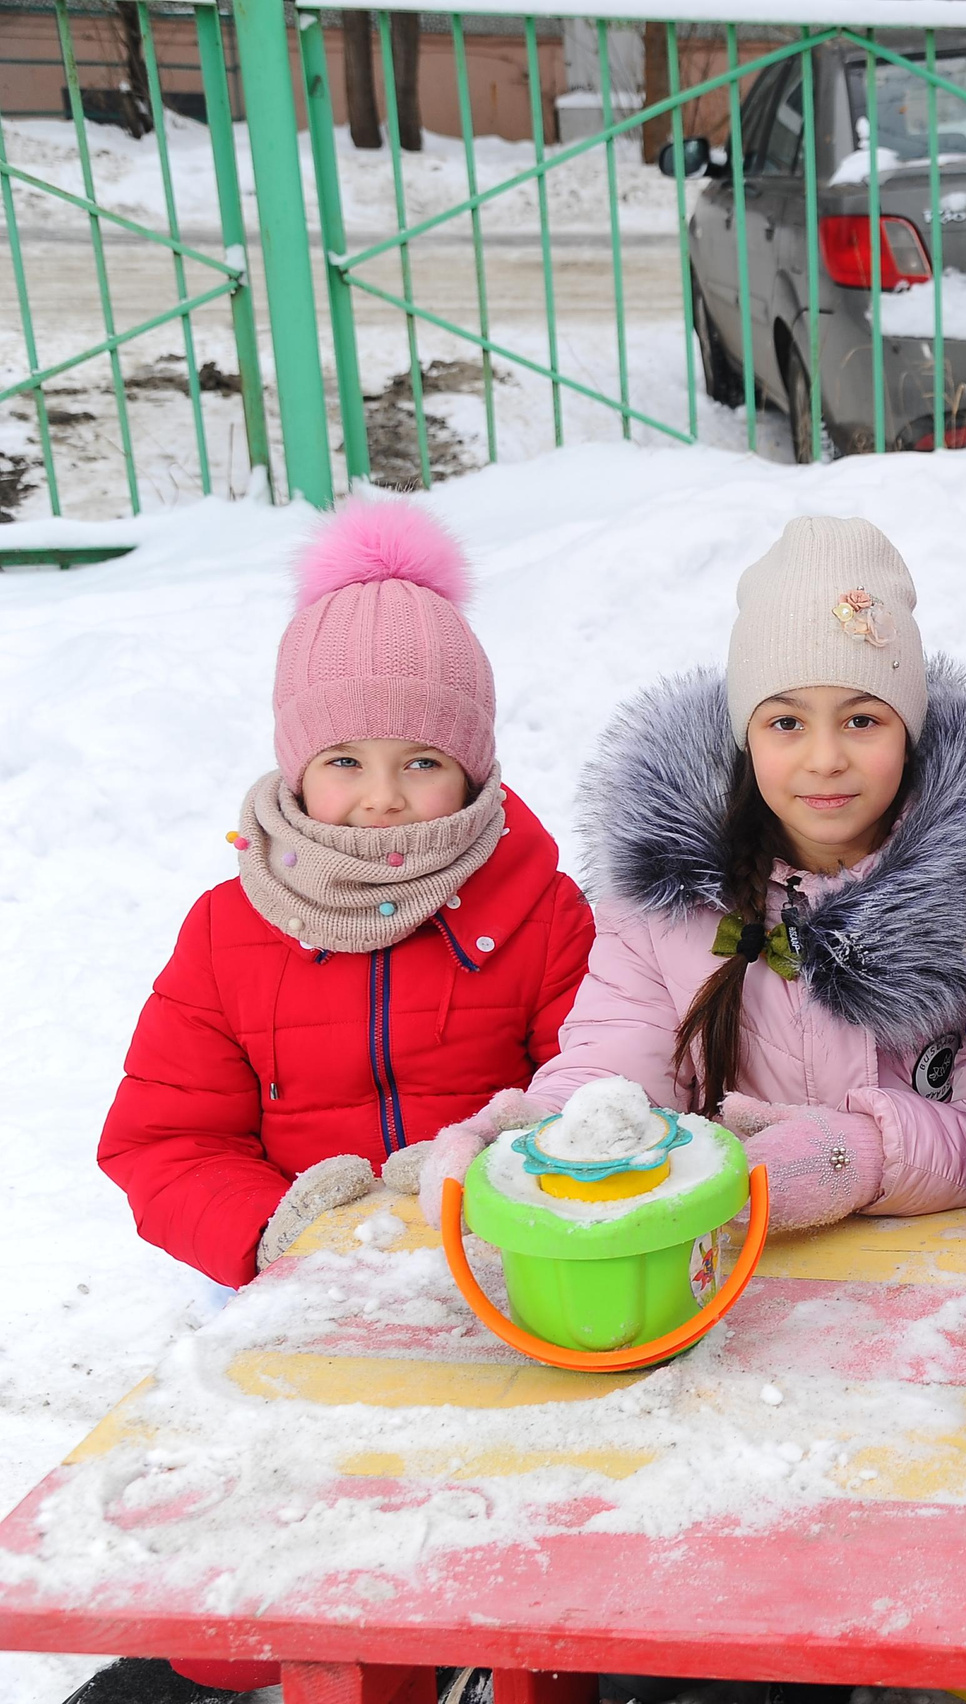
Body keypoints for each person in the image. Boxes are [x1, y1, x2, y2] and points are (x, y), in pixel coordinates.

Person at [90, 502, 595, 1700]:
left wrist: (493, 1173)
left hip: (493, 1282)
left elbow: (593, 1094)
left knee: (513, 1518)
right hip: (292, 1291)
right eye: (344, 762)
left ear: (471, 764)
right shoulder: (227, 934)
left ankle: (498, 1641)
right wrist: (278, 1230)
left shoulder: (540, 910)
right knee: (262, 1571)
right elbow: (163, 1139)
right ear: (295, 768)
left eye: (420, 761)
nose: (380, 798)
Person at [406, 516, 966, 1233]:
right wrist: (540, 1138)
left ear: (908, 730)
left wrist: (863, 1155)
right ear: (746, 735)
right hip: (733, 1272)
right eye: (786, 723)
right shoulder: (667, 903)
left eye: (862, 720)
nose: (825, 759)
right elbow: (614, 1066)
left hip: (943, 1266)